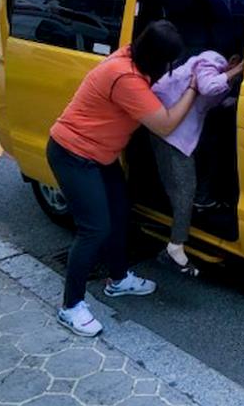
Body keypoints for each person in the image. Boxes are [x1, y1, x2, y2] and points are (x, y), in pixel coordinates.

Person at [47, 21, 198, 337]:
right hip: (74, 154)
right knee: (94, 229)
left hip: (100, 156)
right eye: (169, 62)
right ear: (157, 58)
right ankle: (71, 306)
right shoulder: (124, 76)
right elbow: (166, 124)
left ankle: (118, 280)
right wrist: (194, 88)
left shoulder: (132, 56)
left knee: (118, 215)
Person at [151, 47, 244, 275]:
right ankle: (175, 246)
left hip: (180, 129)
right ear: (232, 60)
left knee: (188, 180)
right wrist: (238, 70)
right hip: (168, 130)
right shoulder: (210, 60)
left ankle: (195, 209)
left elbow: (215, 99)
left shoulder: (219, 73)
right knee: (185, 188)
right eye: (238, 67)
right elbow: (208, 87)